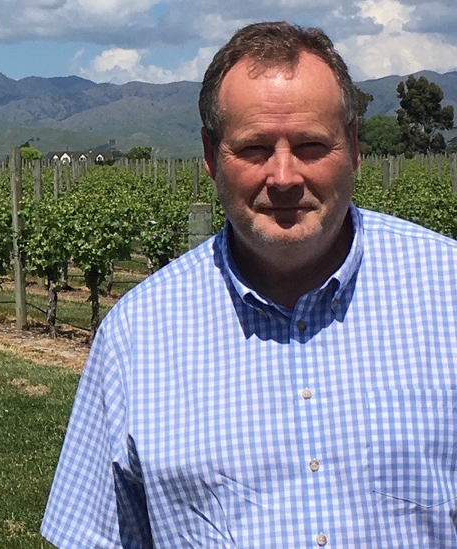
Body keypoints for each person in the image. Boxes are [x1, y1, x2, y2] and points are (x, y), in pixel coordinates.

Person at [41, 21, 457, 548]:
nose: (283, 177)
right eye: (255, 149)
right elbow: (94, 537)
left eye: (310, 145)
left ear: (353, 146)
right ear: (212, 156)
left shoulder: (447, 291)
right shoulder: (137, 334)